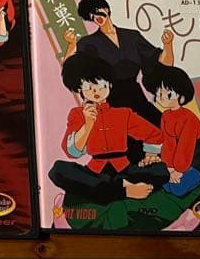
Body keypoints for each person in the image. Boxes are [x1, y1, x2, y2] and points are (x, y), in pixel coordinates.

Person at [48, 54, 168, 204]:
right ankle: (123, 190)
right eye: (89, 87)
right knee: (58, 170)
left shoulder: (123, 114)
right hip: (95, 172)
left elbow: (154, 134)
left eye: (101, 85)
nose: (96, 91)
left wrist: (150, 154)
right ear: (80, 89)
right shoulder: (77, 114)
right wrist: (88, 125)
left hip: (125, 169)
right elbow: (72, 152)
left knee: (161, 170)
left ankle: (114, 187)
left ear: (110, 85)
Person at [63, 0, 174, 127]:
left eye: (97, 11)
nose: (96, 17)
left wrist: (168, 44)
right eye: (91, 16)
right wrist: (71, 45)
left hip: (136, 97)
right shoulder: (89, 43)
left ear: (106, 9)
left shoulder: (132, 36)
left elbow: (163, 63)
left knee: (166, 126)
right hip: (109, 101)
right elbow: (70, 68)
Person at [140, 64, 200, 197]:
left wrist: (178, 171)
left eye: (168, 94)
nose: (162, 97)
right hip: (176, 163)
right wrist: (169, 168)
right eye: (159, 93)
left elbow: (185, 148)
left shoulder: (189, 119)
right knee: (161, 181)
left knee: (176, 189)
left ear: (182, 97)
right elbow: (168, 143)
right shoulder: (166, 116)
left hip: (199, 162)